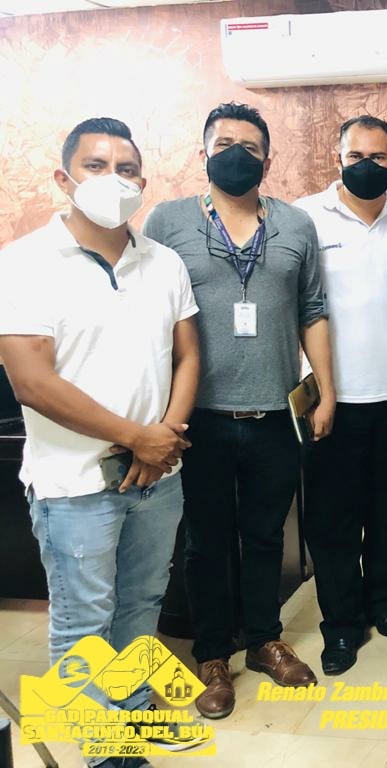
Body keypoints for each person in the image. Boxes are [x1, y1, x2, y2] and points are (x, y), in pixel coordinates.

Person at [0, 117, 200, 768]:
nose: (114, 179)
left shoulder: (163, 261)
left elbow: (188, 355)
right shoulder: (24, 263)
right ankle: (105, 752)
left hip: (157, 478)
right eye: (96, 166)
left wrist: (163, 439)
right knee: (83, 623)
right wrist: (136, 437)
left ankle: (133, 712)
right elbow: (31, 381)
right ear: (65, 178)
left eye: (127, 169)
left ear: (142, 182)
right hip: (74, 485)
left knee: (141, 604)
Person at [144, 102, 335, 720]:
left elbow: (313, 310)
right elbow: (148, 316)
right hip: (197, 418)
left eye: (249, 147)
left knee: (264, 536)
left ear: (267, 161)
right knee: (205, 543)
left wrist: (326, 392)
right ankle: (212, 654)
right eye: (224, 143)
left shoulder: (296, 225)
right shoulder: (167, 221)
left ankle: (263, 639)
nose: (236, 155)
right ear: (203, 154)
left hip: (275, 414)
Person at [293, 115, 387, 676]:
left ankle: (383, 602)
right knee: (333, 519)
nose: (366, 165)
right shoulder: (304, 217)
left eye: (378, 157)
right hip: (332, 398)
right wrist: (316, 390)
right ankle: (342, 623)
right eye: (355, 156)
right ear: (338, 158)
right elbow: (299, 306)